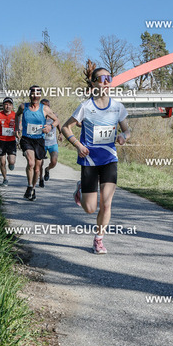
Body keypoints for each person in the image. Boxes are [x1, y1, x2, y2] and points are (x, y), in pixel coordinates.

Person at [62, 61, 131, 254]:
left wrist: (123, 136)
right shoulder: (85, 107)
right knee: (90, 208)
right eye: (102, 79)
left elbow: (127, 130)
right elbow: (66, 127)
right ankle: (81, 188)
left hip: (109, 159)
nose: (107, 82)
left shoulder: (117, 107)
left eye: (109, 78)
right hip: (90, 160)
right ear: (93, 83)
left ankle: (99, 240)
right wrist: (78, 145)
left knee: (106, 204)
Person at [15, 86, 60, 201]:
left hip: (39, 140)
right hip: (27, 139)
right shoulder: (23, 107)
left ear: (40, 95)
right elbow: (17, 115)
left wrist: (50, 126)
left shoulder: (45, 109)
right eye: (33, 93)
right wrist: (17, 128)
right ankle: (29, 185)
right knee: (31, 163)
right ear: (29, 94)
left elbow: (57, 120)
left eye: (37, 94)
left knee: (37, 169)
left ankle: (33, 188)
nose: (35, 96)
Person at [38, 98, 62, 187]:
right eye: (44, 106)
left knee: (54, 161)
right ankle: (41, 179)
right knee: (40, 163)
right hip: (41, 143)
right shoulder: (38, 116)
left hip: (52, 143)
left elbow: (58, 122)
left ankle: (47, 169)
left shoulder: (54, 115)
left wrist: (60, 133)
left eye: (47, 106)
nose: (46, 107)